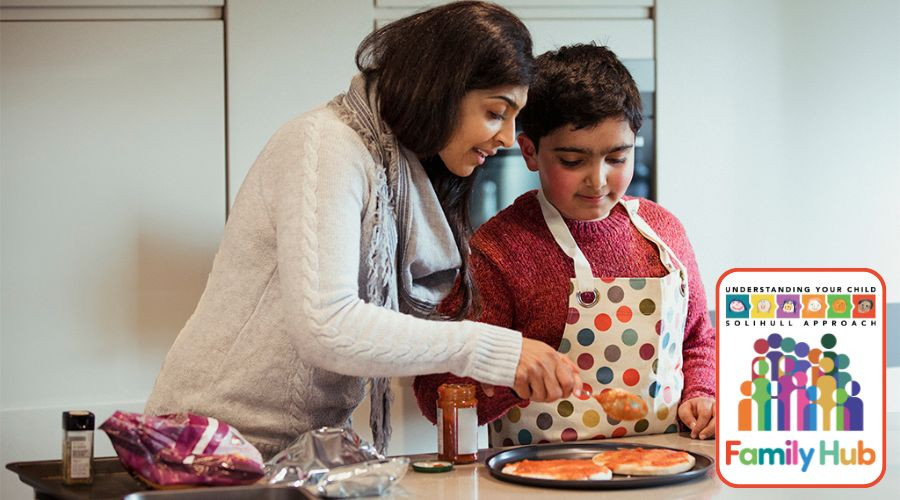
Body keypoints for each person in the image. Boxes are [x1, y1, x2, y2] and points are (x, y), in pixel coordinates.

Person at [145, 1, 582, 459]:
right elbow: (326, 325)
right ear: (441, 90)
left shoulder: (406, 173)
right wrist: (496, 350)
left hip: (297, 450)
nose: (508, 139)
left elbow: (401, 336)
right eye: (496, 112)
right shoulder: (326, 145)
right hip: (207, 442)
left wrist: (499, 370)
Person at [414, 44, 717, 445]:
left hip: (664, 467)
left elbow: (698, 337)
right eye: (573, 161)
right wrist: (510, 376)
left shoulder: (664, 230)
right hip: (539, 479)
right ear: (530, 152)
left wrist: (702, 394)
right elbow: (434, 390)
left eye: (617, 158)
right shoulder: (499, 252)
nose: (598, 180)